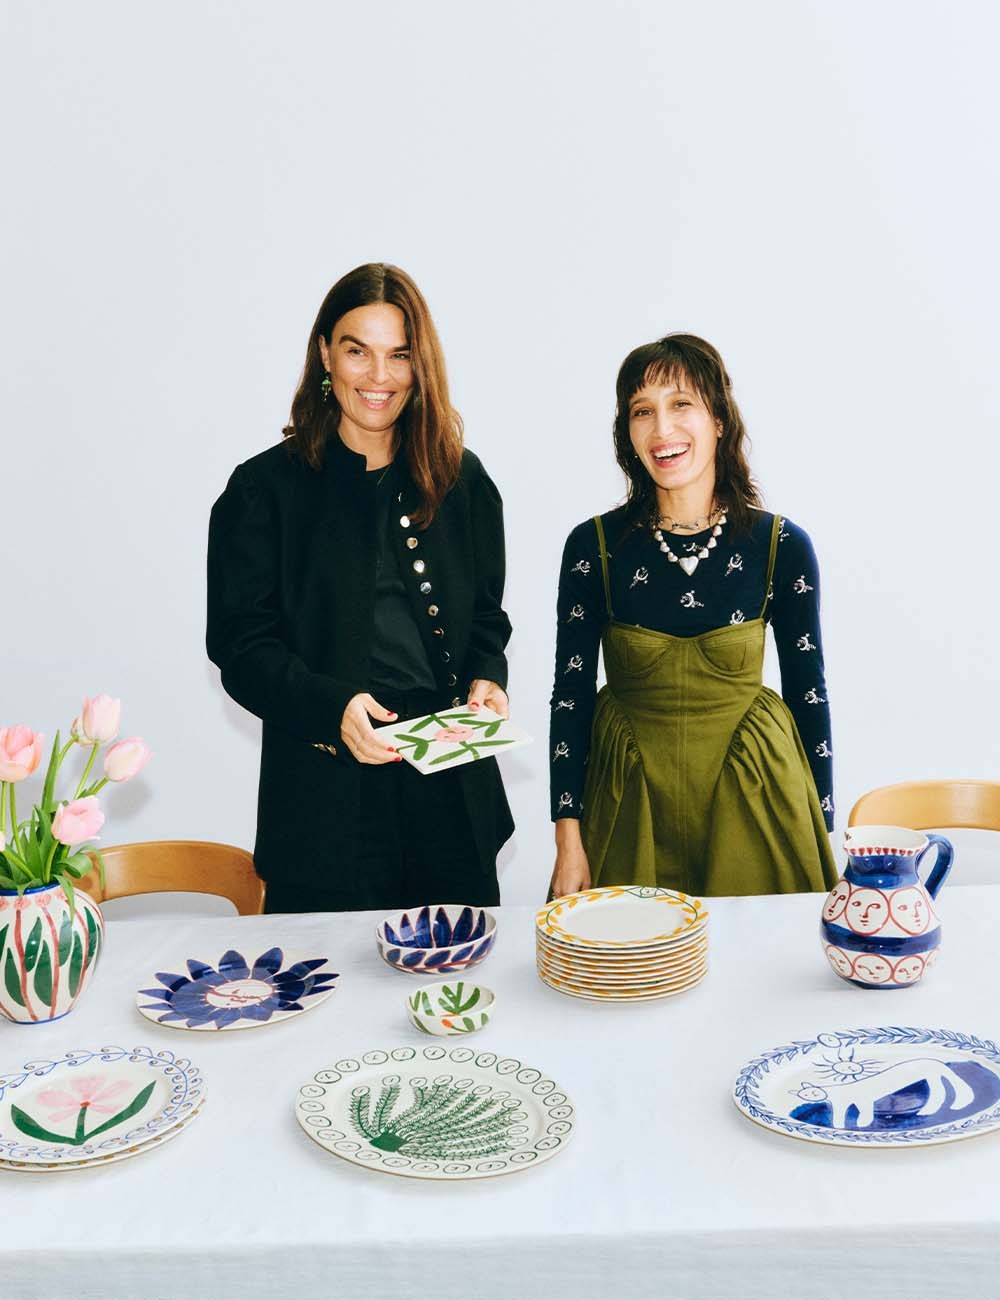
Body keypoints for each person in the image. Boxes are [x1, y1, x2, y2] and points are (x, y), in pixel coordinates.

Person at [208, 263, 513, 913]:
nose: (380, 376)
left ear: (420, 366)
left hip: (450, 796)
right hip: (324, 809)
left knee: (459, 972)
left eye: (399, 355)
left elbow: (486, 617)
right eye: (358, 351)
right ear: (325, 353)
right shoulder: (263, 490)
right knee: (325, 978)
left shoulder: (462, 480)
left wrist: (488, 676)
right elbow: (240, 647)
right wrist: (332, 707)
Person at [548, 333, 838, 899]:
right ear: (627, 431)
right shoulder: (594, 546)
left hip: (758, 799)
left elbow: (809, 692)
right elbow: (570, 695)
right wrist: (567, 838)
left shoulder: (780, 545)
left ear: (719, 419)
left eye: (682, 404)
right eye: (642, 411)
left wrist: (820, 830)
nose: (662, 429)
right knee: (629, 953)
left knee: (759, 953)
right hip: (628, 807)